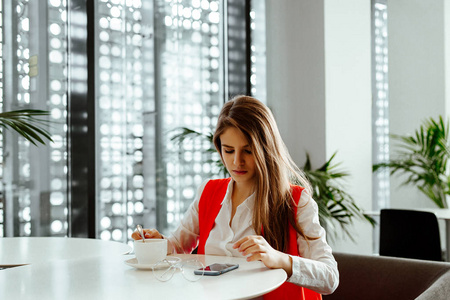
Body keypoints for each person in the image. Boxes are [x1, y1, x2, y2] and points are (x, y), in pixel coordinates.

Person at [132, 95, 339, 299]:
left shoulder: (296, 202)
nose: (237, 161)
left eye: (248, 151)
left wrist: (280, 259)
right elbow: (178, 245)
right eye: (228, 150)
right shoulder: (209, 192)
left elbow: (330, 278)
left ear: (266, 150)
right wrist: (156, 242)